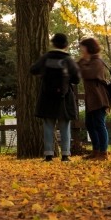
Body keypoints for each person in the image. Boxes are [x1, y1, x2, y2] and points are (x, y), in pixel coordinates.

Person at [30, 32, 80, 162]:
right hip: (64, 97)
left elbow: (33, 70)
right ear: (66, 45)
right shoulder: (68, 60)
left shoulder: (46, 57)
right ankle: (65, 155)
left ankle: (48, 154)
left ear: (53, 43)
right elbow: (77, 79)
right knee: (65, 126)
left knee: (48, 126)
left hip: (47, 97)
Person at [78, 37, 111, 161]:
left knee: (99, 124)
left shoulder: (97, 62)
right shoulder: (90, 61)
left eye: (83, 47)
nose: (81, 49)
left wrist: (82, 61)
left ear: (89, 47)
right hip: (91, 99)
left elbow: (86, 73)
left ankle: (103, 153)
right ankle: (96, 151)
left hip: (99, 98)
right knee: (90, 124)